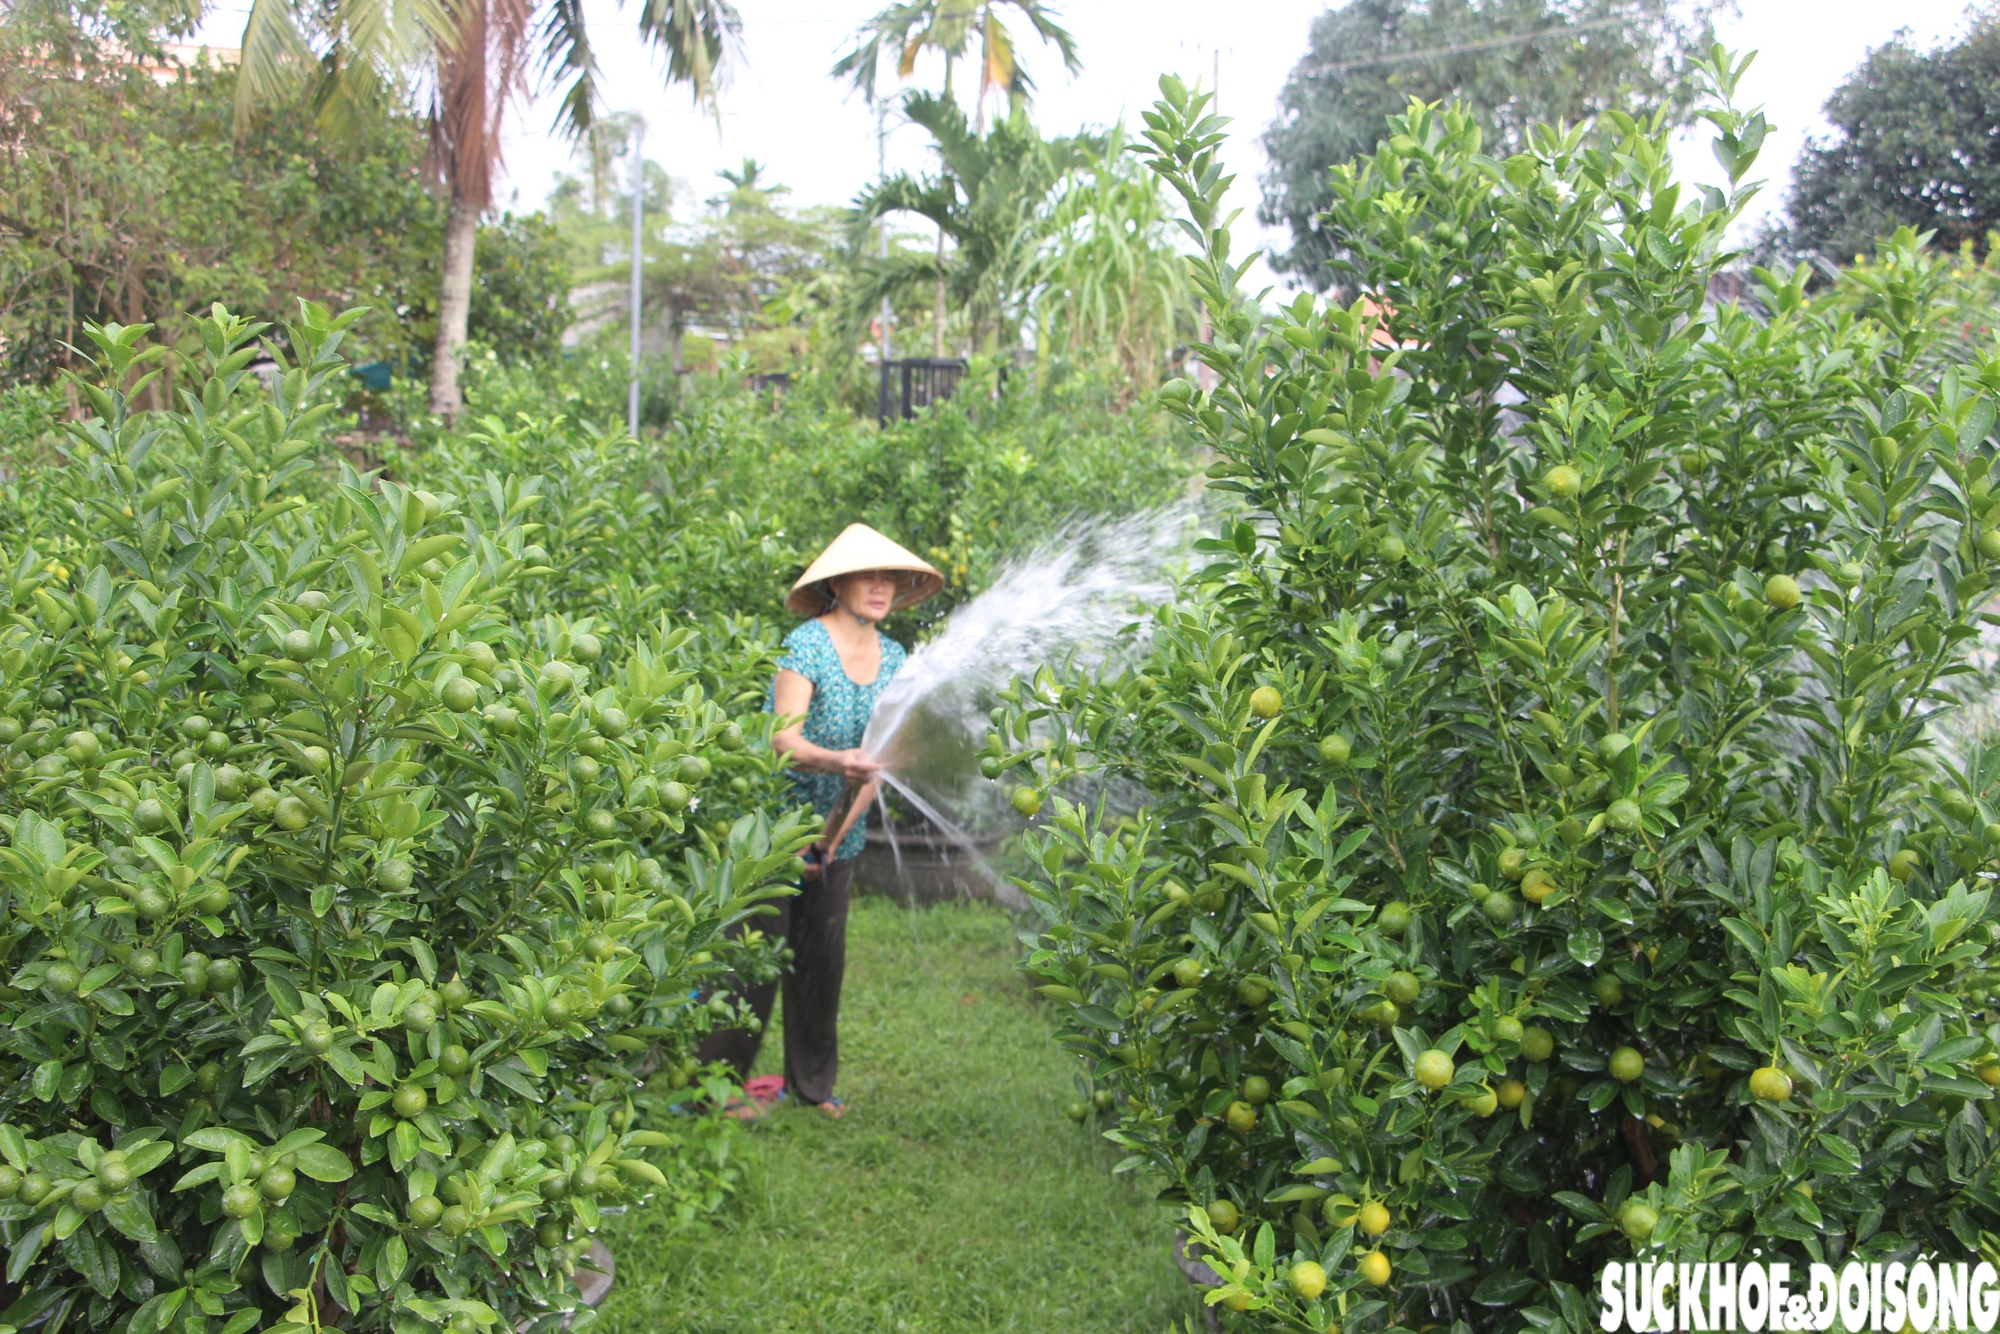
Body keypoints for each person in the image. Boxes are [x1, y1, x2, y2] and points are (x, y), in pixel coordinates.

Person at [696, 523, 942, 1119]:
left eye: (891, 578)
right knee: (753, 962)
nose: (881, 587)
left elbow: (878, 763)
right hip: (775, 828)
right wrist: (837, 764)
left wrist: (835, 836)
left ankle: (812, 1085)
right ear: (839, 582)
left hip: (842, 833)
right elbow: (782, 739)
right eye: (869, 575)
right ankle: (716, 1088)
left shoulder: (895, 657)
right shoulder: (804, 645)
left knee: (821, 962)